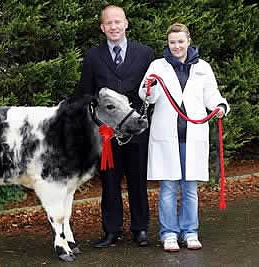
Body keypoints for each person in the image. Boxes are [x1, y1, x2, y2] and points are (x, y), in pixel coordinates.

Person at [138, 23, 229, 252]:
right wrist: (150, 87)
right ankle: (169, 233)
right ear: (167, 44)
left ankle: (190, 231)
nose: (177, 46)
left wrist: (219, 106)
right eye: (172, 42)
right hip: (166, 137)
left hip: (193, 136)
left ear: (188, 40)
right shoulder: (157, 66)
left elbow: (212, 94)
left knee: (190, 188)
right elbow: (146, 95)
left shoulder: (203, 67)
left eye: (180, 41)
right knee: (168, 187)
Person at [78, 5, 155, 248]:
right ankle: (111, 230)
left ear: (126, 24)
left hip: (136, 130)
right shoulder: (92, 57)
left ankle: (140, 229)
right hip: (108, 134)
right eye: (109, 23)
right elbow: (86, 93)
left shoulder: (145, 54)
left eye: (117, 22)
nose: (114, 27)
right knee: (110, 182)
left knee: (138, 180)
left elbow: (152, 92)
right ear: (102, 28)